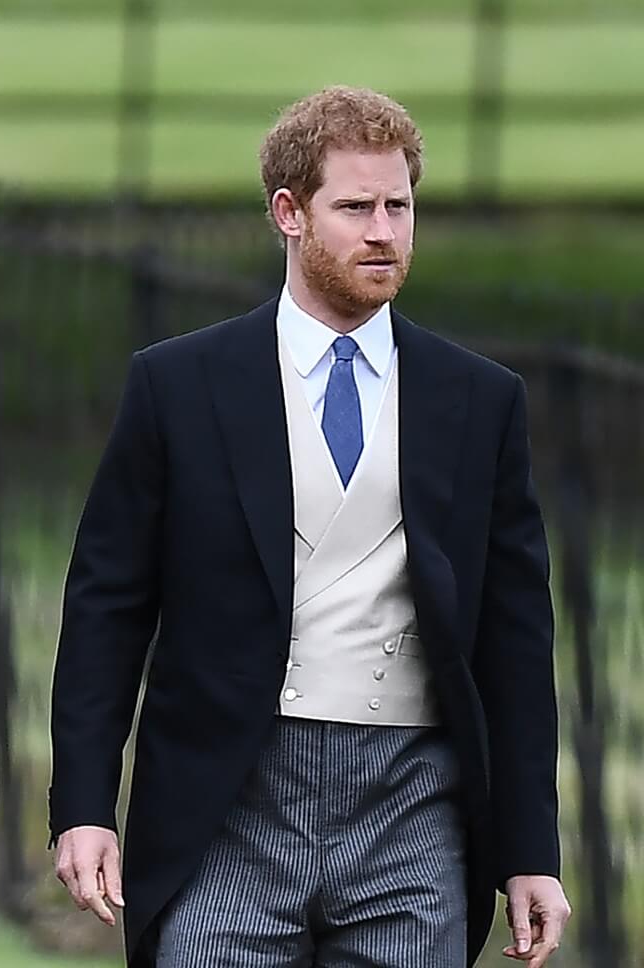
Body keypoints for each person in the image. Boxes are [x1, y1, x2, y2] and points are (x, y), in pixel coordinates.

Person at [49, 86, 570, 968]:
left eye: (399, 206)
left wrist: (529, 852)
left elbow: (516, 641)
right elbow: (107, 608)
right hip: (227, 806)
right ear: (288, 213)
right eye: (356, 207)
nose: (383, 232)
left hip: (413, 813)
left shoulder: (479, 400)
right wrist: (85, 805)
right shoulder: (179, 386)